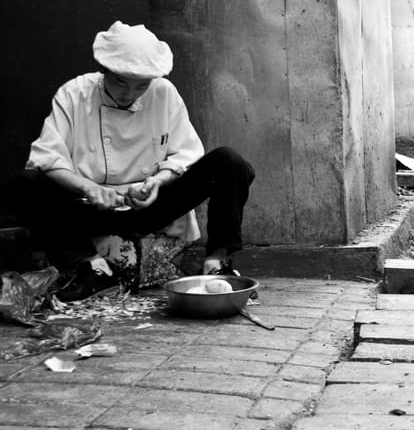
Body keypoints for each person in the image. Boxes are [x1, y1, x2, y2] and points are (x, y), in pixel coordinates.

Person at [0, 21, 255, 301]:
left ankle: (217, 263)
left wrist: (158, 181)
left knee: (230, 163)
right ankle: (92, 268)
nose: (128, 93)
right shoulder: (74, 93)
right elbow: (47, 158)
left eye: (141, 86)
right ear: (104, 69)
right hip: (87, 209)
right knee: (24, 183)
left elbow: (185, 152)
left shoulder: (164, 92)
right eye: (120, 81)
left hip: (147, 205)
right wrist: (88, 188)